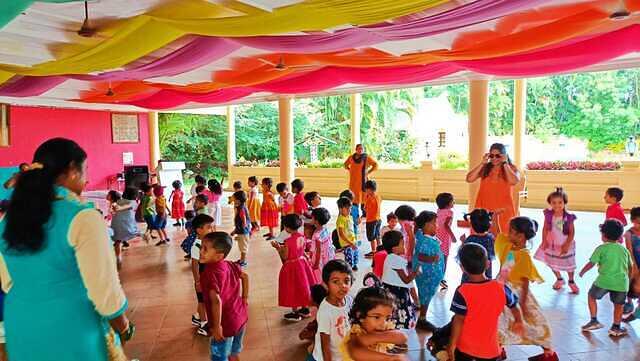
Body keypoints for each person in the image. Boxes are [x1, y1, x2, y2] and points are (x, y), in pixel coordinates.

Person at [0, 138, 133, 360]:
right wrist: (123, 326)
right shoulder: (83, 217)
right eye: (86, 170)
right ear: (72, 170)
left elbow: (8, 282)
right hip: (72, 327)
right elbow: (104, 292)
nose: (88, 178)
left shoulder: (8, 220)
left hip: (21, 325)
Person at [495, 217, 558, 361]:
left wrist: (522, 304)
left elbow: (524, 282)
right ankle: (498, 349)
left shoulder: (524, 256)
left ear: (521, 236)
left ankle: (548, 353)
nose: (508, 233)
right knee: (499, 322)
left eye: (511, 231)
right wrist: (495, 217)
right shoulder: (507, 245)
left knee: (532, 323)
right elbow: (497, 233)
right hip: (502, 289)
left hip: (516, 293)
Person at [448, 243, 524, 361]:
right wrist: (518, 320)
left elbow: (459, 320)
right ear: (488, 264)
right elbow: (515, 306)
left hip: (466, 350)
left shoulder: (462, 291)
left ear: (462, 268)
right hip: (492, 351)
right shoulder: (501, 288)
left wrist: (452, 344)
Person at [199, 232, 249, 361]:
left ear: (218, 255)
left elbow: (216, 301)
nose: (201, 251)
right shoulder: (229, 264)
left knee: (219, 357)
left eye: (205, 249)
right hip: (240, 316)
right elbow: (245, 276)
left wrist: (217, 326)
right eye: (201, 247)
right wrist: (244, 299)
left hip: (225, 324)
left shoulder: (209, 274)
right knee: (233, 353)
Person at [579, 219, 632, 337]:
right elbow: (630, 266)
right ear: (619, 236)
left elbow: (591, 263)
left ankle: (594, 320)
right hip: (621, 283)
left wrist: (582, 271)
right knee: (619, 305)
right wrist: (629, 279)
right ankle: (616, 328)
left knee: (591, 296)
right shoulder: (624, 250)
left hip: (603, 281)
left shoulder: (601, 248)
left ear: (603, 235)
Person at [465, 143, 521, 235]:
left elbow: (513, 181)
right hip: (484, 210)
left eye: (497, 156)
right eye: (492, 155)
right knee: (482, 239)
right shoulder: (485, 168)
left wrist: (505, 164)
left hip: (502, 211)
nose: (494, 158)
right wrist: (482, 163)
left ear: (504, 156)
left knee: (502, 239)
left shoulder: (511, 168)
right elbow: (469, 179)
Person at [341, 286, 408, 361]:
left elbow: (403, 337)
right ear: (360, 316)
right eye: (376, 317)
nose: (383, 323)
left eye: (387, 318)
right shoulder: (355, 335)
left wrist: (377, 335)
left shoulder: (382, 328)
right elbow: (356, 353)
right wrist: (390, 358)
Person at [272, 214, 318, 322]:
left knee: (293, 288)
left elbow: (285, 256)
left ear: (287, 227)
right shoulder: (302, 237)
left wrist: (278, 248)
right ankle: (305, 309)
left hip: (292, 266)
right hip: (302, 263)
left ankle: (295, 312)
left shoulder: (288, 241)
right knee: (303, 286)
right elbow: (302, 250)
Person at [534, 188, 579, 293]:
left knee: (569, 264)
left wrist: (567, 245)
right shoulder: (548, 215)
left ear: (564, 203)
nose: (557, 205)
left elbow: (572, 232)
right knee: (552, 262)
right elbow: (545, 228)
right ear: (550, 203)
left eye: (560, 202)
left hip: (565, 244)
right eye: (553, 203)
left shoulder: (569, 217)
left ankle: (571, 281)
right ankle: (559, 279)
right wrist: (544, 241)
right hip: (552, 244)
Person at [310, 259, 354, 361]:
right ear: (326, 285)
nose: (342, 286)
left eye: (346, 281)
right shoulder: (325, 311)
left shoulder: (350, 300)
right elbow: (325, 346)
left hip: (342, 353)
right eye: (336, 282)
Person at [413, 211, 444, 332]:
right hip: (427, 276)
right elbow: (420, 256)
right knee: (425, 296)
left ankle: (422, 316)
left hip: (431, 275)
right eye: (434, 223)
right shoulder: (425, 240)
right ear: (426, 225)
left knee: (426, 296)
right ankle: (422, 319)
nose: (437, 225)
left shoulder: (423, 235)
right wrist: (432, 259)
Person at [381, 230, 419, 329]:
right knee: (400, 314)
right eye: (402, 244)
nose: (404, 246)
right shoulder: (395, 259)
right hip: (397, 292)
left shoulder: (390, 258)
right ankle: (397, 336)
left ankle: (394, 334)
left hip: (390, 290)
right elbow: (406, 280)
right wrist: (416, 273)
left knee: (393, 315)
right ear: (394, 249)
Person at [190, 213, 214, 336]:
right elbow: (194, 265)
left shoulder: (207, 242)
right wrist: (197, 281)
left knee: (205, 299)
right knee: (202, 301)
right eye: (208, 227)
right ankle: (204, 324)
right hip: (201, 278)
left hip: (208, 277)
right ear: (199, 230)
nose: (211, 229)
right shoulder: (197, 246)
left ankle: (197, 316)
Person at [460, 208, 495, 282]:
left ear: (472, 224)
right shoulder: (491, 238)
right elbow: (492, 254)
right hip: (485, 276)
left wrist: (463, 242)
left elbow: (463, 257)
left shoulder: (470, 240)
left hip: (470, 278)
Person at [344, 144, 378, 214]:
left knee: (364, 196)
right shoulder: (351, 157)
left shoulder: (366, 157)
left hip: (363, 181)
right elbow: (345, 164)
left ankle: (365, 213)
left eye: (362, 149)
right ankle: (354, 213)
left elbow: (375, 165)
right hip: (353, 181)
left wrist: (368, 172)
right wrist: (350, 170)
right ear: (356, 149)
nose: (360, 150)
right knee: (353, 197)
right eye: (359, 149)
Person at [111, 187, 139, 268]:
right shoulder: (134, 203)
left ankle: (118, 257)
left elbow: (115, 210)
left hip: (118, 224)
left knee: (117, 241)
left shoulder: (119, 202)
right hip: (127, 224)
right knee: (123, 237)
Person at [435, 192, 455, 290]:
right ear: (448, 204)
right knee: (444, 259)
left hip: (437, 236)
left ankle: (437, 276)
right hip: (445, 238)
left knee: (438, 258)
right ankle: (441, 279)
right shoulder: (450, 212)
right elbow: (446, 225)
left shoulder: (439, 211)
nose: (453, 203)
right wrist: (453, 236)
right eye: (452, 201)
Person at [623, 207, 640, 322]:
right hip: (634, 264)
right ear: (632, 220)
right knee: (630, 284)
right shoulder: (629, 234)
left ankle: (636, 313)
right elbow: (629, 251)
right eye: (639, 223)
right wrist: (634, 266)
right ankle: (629, 303)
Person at [310, 207, 335, 281]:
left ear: (316, 221)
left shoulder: (316, 235)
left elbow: (318, 251)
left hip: (320, 260)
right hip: (328, 256)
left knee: (319, 276)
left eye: (312, 218)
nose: (311, 219)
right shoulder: (326, 229)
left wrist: (316, 264)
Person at [337, 197, 359, 271]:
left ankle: (354, 265)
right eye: (347, 209)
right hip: (346, 243)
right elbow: (341, 234)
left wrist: (354, 240)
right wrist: (350, 243)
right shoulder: (341, 219)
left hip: (353, 241)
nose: (349, 210)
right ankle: (348, 271)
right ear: (340, 209)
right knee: (349, 259)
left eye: (350, 208)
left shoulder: (350, 216)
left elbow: (352, 229)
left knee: (355, 254)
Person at [231, 191, 251, 268]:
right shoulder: (240, 207)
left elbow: (244, 220)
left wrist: (240, 230)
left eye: (234, 198)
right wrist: (236, 231)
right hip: (242, 231)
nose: (233, 200)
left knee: (243, 247)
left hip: (243, 232)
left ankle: (243, 261)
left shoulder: (241, 208)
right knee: (242, 246)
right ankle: (242, 259)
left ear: (238, 200)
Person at [363, 180, 382, 259]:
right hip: (378, 219)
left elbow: (365, 208)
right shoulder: (378, 196)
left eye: (366, 189)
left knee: (372, 237)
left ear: (370, 189)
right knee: (377, 235)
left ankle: (374, 251)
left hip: (371, 220)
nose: (366, 191)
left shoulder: (370, 198)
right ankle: (380, 249)